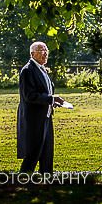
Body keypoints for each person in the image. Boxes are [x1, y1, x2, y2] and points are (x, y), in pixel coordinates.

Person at [16, 41, 67, 173]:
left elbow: (44, 92)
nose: (44, 53)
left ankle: (46, 183)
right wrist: (51, 99)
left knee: (47, 154)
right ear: (32, 54)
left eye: (46, 50)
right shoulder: (28, 70)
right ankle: (22, 182)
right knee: (33, 155)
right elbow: (29, 96)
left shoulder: (42, 69)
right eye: (40, 50)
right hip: (34, 120)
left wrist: (52, 102)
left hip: (46, 117)